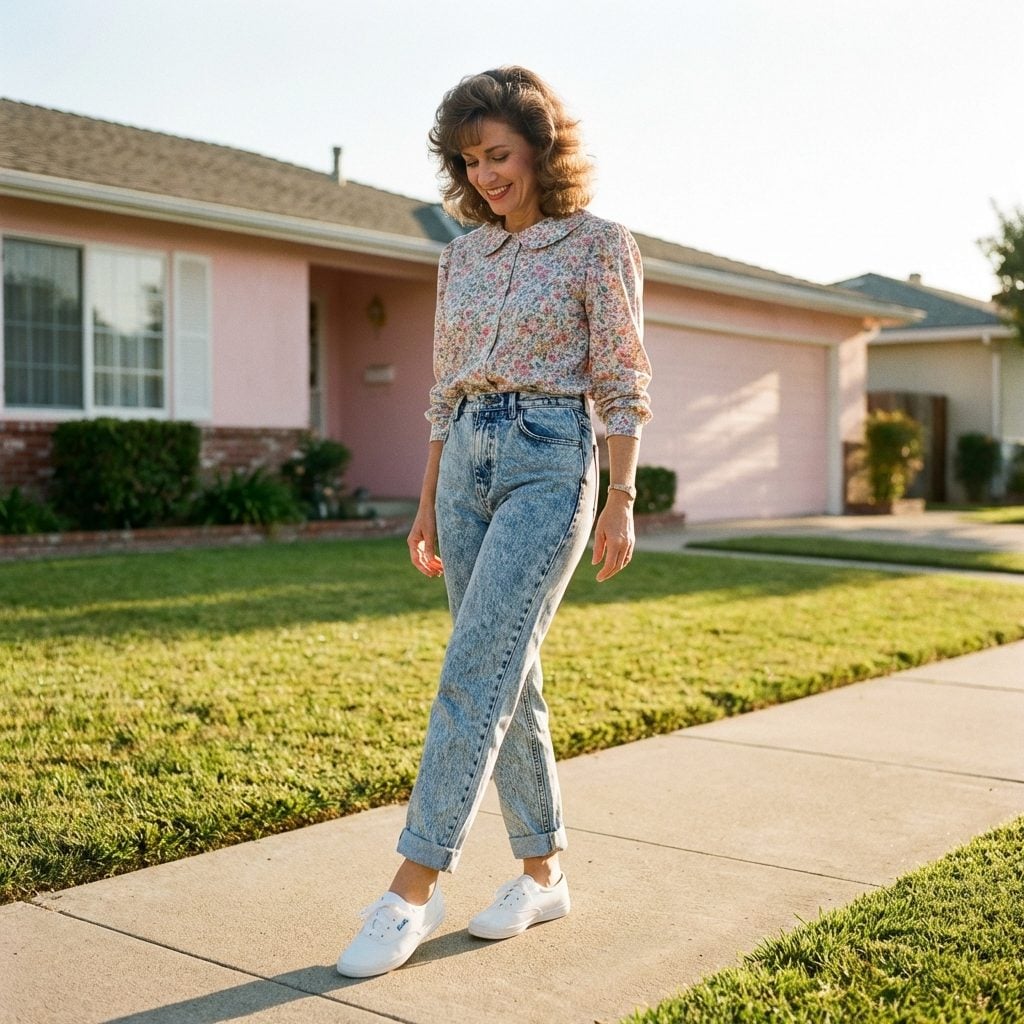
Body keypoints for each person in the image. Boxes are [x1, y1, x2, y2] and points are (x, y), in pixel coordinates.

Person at [337, 65, 652, 978]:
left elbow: (623, 380)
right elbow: (442, 391)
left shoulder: (600, 245)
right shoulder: (460, 256)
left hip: (553, 462)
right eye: (470, 160)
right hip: (468, 462)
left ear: (542, 150)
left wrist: (621, 499)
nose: (485, 175)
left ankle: (410, 886)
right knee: (510, 674)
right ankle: (543, 871)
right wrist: (428, 498)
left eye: (500, 154)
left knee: (475, 669)